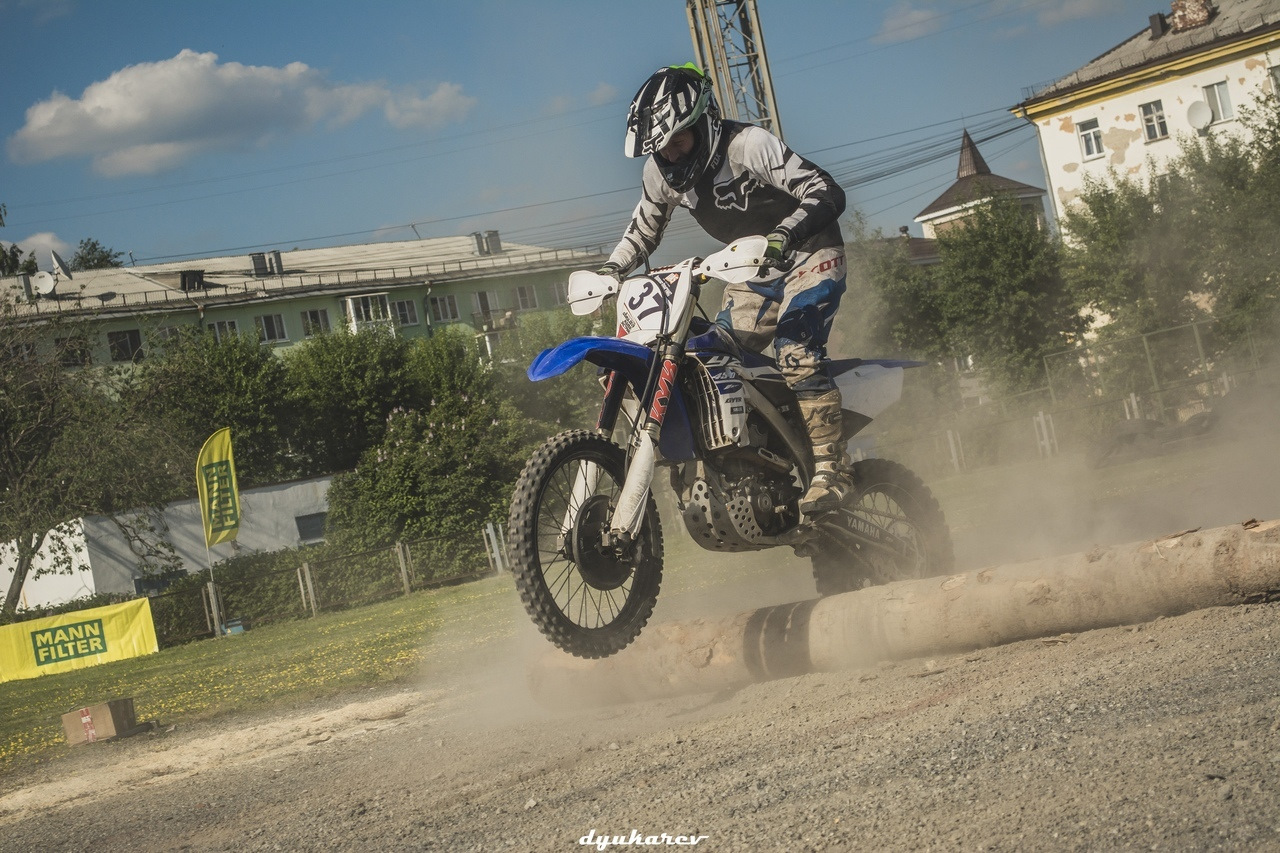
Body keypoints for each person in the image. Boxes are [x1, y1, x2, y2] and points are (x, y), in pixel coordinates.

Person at [597, 62, 850, 514]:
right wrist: (610, 271)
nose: (671, 155)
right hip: (750, 269)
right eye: (661, 147)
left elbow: (825, 190)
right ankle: (755, 456)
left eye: (678, 140)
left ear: (705, 121)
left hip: (809, 252)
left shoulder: (747, 145)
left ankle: (833, 470)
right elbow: (643, 231)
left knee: (795, 351)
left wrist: (784, 234)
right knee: (710, 356)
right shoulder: (659, 173)